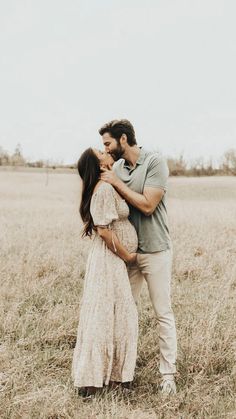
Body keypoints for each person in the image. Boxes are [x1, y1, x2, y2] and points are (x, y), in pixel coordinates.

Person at [99, 119, 177, 395]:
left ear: (123, 140)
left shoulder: (155, 162)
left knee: (162, 313)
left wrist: (116, 181)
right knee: (124, 313)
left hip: (156, 250)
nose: (105, 149)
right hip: (128, 255)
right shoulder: (116, 168)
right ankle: (122, 373)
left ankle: (168, 376)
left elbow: (147, 205)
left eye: (107, 143)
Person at [71, 147, 138, 397]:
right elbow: (104, 230)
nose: (106, 151)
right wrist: (128, 255)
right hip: (109, 260)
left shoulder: (107, 185)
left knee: (115, 315)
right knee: (114, 317)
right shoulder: (105, 189)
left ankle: (114, 376)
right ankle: (99, 379)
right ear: (99, 166)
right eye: (101, 152)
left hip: (110, 260)